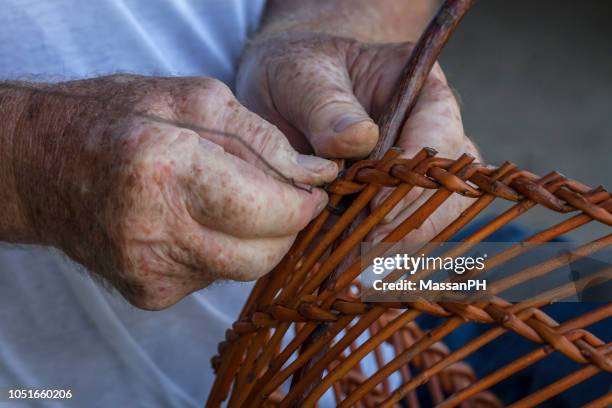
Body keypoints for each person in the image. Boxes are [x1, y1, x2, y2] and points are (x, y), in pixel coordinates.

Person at [0, 0, 478, 406]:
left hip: (394, 325)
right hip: (53, 390)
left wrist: (320, 33)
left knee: (547, 274)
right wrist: (27, 155)